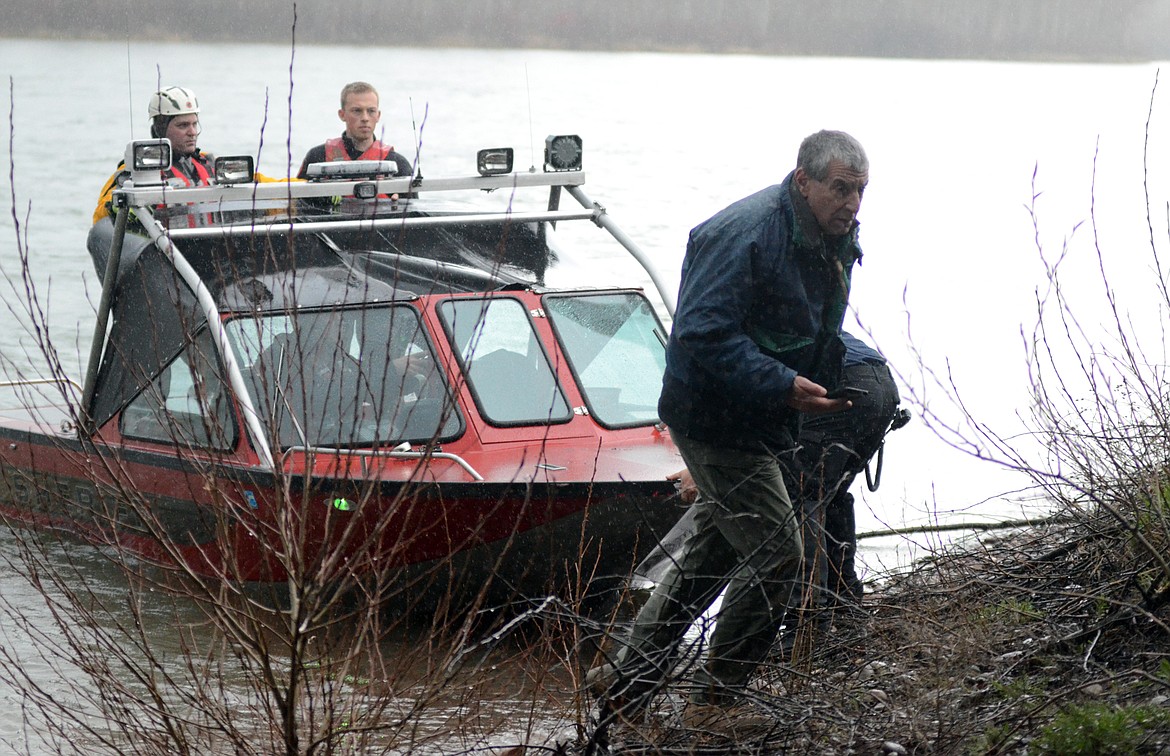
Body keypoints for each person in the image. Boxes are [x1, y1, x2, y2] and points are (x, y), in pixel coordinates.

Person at [593, 130, 869, 731]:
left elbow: (817, 323)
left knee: (715, 554)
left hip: (764, 415)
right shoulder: (744, 234)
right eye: (840, 189)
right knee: (778, 555)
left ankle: (622, 684)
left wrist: (816, 390)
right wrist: (782, 383)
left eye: (860, 192)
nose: (852, 203)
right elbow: (700, 334)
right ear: (804, 180)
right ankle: (714, 704)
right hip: (712, 415)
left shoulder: (832, 234)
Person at [93, 86, 215, 224]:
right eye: (183, 125)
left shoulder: (209, 164)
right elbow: (101, 216)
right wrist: (120, 208)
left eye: (194, 124)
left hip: (212, 242)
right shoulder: (137, 171)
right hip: (165, 244)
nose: (192, 132)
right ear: (160, 129)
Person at [296, 81, 412, 179]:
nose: (365, 118)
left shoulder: (397, 164)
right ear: (342, 115)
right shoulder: (318, 157)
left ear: (378, 116)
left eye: (371, 111)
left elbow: (412, 205)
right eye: (357, 111)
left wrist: (396, 205)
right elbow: (296, 203)